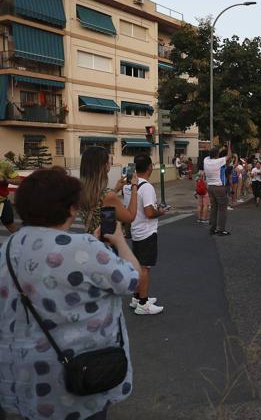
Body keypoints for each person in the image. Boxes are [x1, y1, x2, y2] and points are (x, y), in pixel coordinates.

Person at [0, 167, 140, 420]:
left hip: (27, 378)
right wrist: (118, 241)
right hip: (78, 378)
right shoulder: (82, 247)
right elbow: (132, 281)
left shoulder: (8, 248)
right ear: (71, 208)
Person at [129, 155, 167, 315]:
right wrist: (161, 212)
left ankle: (137, 297)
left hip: (135, 230)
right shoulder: (147, 187)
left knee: (138, 266)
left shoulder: (130, 186)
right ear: (150, 167)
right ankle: (143, 304)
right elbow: (149, 212)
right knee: (145, 268)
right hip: (146, 231)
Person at [79, 146, 138, 236]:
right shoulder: (108, 195)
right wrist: (134, 186)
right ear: (104, 165)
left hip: (91, 242)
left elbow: (101, 204)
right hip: (106, 245)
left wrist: (115, 189)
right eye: (109, 161)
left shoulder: (80, 191)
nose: (110, 163)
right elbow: (130, 217)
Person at [204, 143, 232, 236]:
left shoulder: (206, 160)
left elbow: (212, 155)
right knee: (222, 209)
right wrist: (228, 147)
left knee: (214, 208)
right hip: (219, 187)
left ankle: (212, 229)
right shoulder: (218, 161)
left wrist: (217, 150)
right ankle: (221, 230)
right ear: (217, 155)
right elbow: (229, 156)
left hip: (210, 187)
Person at [0, 158, 22, 234]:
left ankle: (20, 242)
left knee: (10, 225)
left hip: (1, 202)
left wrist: (5, 180)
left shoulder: (4, 165)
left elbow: (19, 181)